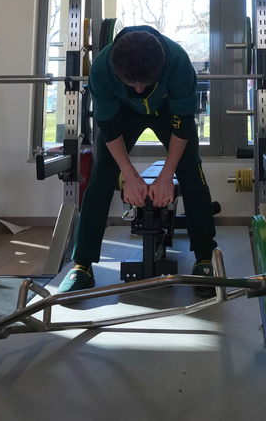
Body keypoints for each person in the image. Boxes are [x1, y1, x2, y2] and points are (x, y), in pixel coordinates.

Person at [58, 26, 218, 297]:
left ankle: (204, 258)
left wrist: (167, 175)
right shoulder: (101, 69)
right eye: (132, 84)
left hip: (168, 112)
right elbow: (108, 127)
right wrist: (129, 175)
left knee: (191, 171)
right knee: (101, 176)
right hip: (124, 113)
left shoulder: (178, 62)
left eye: (145, 82)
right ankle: (82, 265)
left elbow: (182, 125)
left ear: (161, 65)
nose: (140, 88)